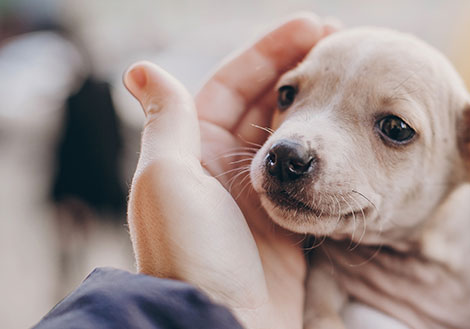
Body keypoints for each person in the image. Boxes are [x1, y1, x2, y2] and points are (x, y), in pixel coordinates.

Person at [35, 14, 339, 329]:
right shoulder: (87, 93)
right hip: (89, 186)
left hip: (83, 186)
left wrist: (183, 303)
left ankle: (62, 278)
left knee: (76, 242)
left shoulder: (85, 93)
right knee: (78, 243)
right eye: (287, 95)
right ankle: (62, 276)